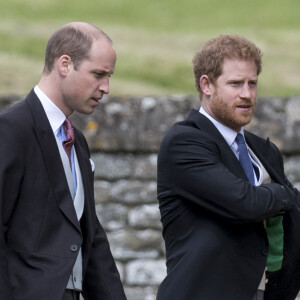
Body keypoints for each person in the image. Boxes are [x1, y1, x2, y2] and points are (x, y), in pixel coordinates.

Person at [156, 34, 300, 300]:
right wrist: (284, 194)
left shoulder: (264, 151)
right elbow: (244, 202)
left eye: (252, 83)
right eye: (235, 83)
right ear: (206, 85)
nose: (247, 94)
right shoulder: (184, 141)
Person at [0, 22, 127, 300]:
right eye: (98, 74)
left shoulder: (77, 142)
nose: (106, 87)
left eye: (109, 76)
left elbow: (91, 239)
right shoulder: (11, 129)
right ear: (65, 64)